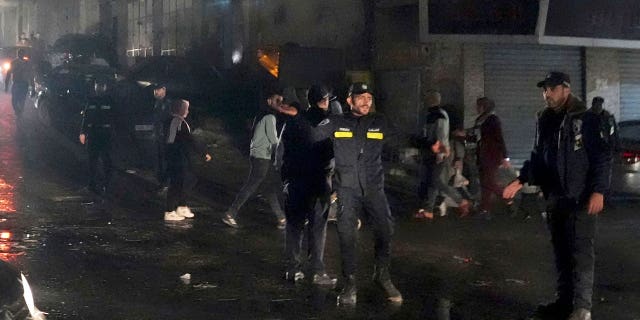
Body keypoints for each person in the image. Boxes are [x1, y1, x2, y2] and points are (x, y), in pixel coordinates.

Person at [503, 71, 611, 320]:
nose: (546, 94)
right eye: (544, 90)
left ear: (566, 89)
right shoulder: (544, 119)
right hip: (555, 197)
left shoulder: (586, 119)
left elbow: (601, 157)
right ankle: (564, 303)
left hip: (580, 197)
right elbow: (539, 156)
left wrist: (598, 191)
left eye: (551, 89)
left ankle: (582, 308)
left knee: (581, 251)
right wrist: (520, 180)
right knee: (561, 251)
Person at [313, 82, 402, 305]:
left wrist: (431, 144)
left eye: (369, 98)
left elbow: (403, 138)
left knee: (385, 229)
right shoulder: (336, 122)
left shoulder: (378, 122)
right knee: (347, 235)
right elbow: (310, 137)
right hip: (347, 189)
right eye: (360, 98)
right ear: (349, 100)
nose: (366, 102)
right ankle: (349, 282)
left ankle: (382, 275)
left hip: (374, 188)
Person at [280, 84, 337, 286]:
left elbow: (282, 151)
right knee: (317, 227)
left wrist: (285, 178)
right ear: (325, 101)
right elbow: (335, 154)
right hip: (319, 182)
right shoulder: (329, 123)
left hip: (295, 181)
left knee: (294, 226)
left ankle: (292, 269)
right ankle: (317, 271)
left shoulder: (294, 121)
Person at [221, 85, 289, 229]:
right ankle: (230, 213)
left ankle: (281, 218)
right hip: (262, 156)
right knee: (252, 185)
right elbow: (273, 139)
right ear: (269, 101)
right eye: (277, 101)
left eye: (282, 101)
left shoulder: (261, 114)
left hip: (258, 155)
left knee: (269, 186)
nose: (280, 104)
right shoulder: (270, 117)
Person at [415, 91, 470, 219]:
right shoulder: (434, 114)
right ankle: (428, 210)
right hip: (433, 151)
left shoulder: (437, 115)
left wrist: (441, 152)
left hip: (437, 152)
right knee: (433, 181)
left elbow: (441, 135)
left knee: (436, 181)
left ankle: (461, 201)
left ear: (431, 100)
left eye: (427, 98)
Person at [163, 99, 212, 221]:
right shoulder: (176, 121)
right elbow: (174, 140)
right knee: (178, 182)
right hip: (177, 158)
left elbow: (187, 139)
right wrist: (202, 152)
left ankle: (181, 205)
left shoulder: (179, 121)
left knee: (187, 180)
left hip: (181, 156)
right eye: (186, 108)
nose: (188, 111)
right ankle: (170, 211)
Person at [470, 97, 509, 218]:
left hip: (491, 155)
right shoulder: (480, 120)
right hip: (482, 155)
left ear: (484, 107)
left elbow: (499, 138)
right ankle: (485, 209)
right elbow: (476, 137)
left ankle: (507, 198)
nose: (476, 108)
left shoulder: (493, 120)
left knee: (489, 182)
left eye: (478, 106)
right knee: (485, 182)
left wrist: (505, 157)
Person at [79, 80, 115, 195]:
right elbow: (86, 117)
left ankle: (107, 185)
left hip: (106, 134)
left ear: (105, 87)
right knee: (92, 161)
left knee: (107, 161)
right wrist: (83, 132)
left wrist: (114, 133)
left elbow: (116, 118)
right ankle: (92, 185)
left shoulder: (110, 100)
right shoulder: (91, 100)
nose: (99, 87)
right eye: (97, 85)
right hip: (94, 134)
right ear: (95, 87)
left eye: (101, 85)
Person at [151, 83, 172, 195]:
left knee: (165, 161)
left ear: (164, 89)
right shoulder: (157, 103)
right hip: (159, 136)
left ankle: (167, 185)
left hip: (166, 137)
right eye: (154, 90)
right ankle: (162, 183)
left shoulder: (168, 104)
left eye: (157, 90)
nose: (155, 92)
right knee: (159, 161)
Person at [4, 48, 34, 117]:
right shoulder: (14, 63)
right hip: (16, 83)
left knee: (22, 99)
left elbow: (31, 75)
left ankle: (20, 111)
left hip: (24, 84)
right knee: (14, 99)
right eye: (19, 53)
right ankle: (18, 111)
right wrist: (6, 85)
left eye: (22, 53)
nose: (20, 54)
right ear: (18, 54)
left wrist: (33, 87)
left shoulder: (27, 63)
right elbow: (8, 74)